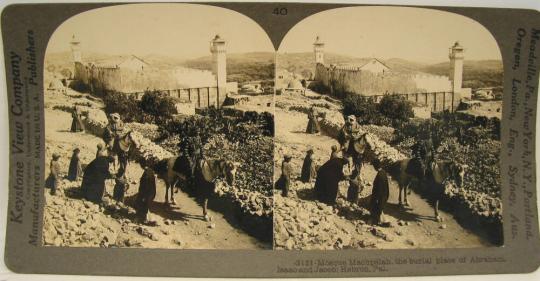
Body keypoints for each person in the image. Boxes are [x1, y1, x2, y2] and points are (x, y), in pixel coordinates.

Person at [370, 161, 389, 225]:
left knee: (378, 209)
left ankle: (379, 222)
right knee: (380, 209)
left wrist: (377, 198)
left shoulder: (380, 175)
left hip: (380, 196)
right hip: (384, 195)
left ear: (375, 167)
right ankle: (380, 220)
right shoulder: (383, 172)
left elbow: (379, 188)